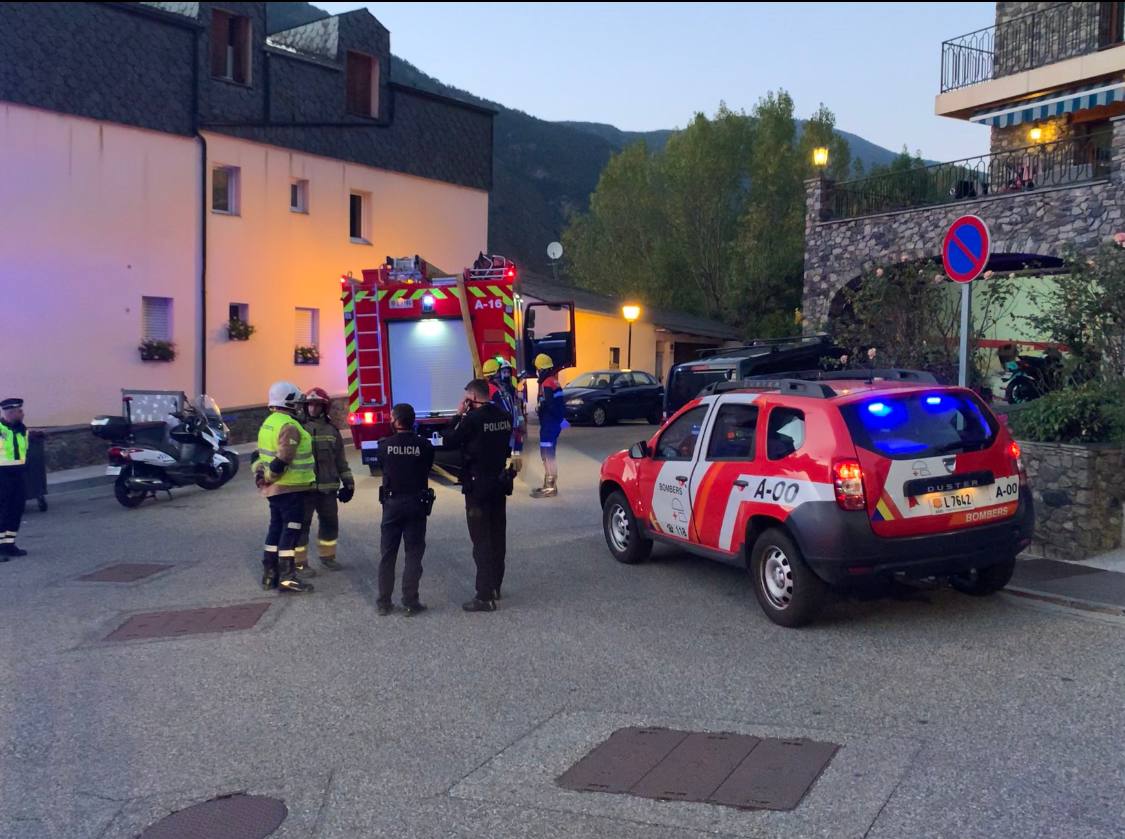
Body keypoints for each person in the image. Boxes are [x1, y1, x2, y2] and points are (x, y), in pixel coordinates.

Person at [437, 379, 512, 612]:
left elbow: (448, 440)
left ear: (472, 397)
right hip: (499, 483)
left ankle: (484, 596)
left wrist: (458, 415)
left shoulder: (471, 420)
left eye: (466, 397)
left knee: (481, 541)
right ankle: (495, 586)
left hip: (478, 486)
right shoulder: (504, 416)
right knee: (497, 536)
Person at [253, 381, 316, 593]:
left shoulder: (268, 423)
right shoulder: (289, 426)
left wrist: (261, 477)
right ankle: (287, 578)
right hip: (291, 489)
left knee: (275, 528)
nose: (299, 407)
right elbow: (284, 458)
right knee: (291, 531)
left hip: (276, 491)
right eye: (296, 402)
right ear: (288, 402)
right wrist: (269, 477)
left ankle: (269, 574)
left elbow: (258, 455)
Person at [376, 403, 435, 617]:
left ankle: (384, 602)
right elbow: (427, 467)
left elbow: (383, 466)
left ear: (396, 420)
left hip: (392, 504)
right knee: (413, 553)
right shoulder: (424, 446)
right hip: (416, 504)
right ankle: (410, 601)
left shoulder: (384, 446)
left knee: (388, 554)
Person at [295, 387, 354, 576]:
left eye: (317, 405)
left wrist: (349, 483)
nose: (313, 408)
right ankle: (299, 563)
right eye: (310, 405)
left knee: (330, 523)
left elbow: (341, 461)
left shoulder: (332, 431)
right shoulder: (297, 428)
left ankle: (328, 557)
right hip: (304, 489)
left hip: (328, 489)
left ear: (324, 407)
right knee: (301, 526)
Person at [531, 353, 566, 498]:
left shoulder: (546, 384)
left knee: (547, 455)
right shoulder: (554, 382)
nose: (537, 372)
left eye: (538, 369)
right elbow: (558, 405)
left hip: (549, 425)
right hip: (554, 424)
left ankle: (550, 487)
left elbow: (549, 405)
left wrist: (540, 408)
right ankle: (549, 485)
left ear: (542, 370)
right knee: (549, 453)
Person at [0, 398, 30, 559]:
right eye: (20, 411)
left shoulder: (22, 430)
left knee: (15, 510)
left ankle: (9, 544)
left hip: (18, 475)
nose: (23, 414)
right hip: (2, 475)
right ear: (11, 413)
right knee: (3, 511)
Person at [484, 357, 525, 472]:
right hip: (504, 425)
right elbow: (506, 408)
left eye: (508, 372)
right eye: (503, 372)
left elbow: (514, 406)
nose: (506, 375)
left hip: (507, 424)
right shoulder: (497, 389)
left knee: (510, 448)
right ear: (497, 373)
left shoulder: (503, 388)